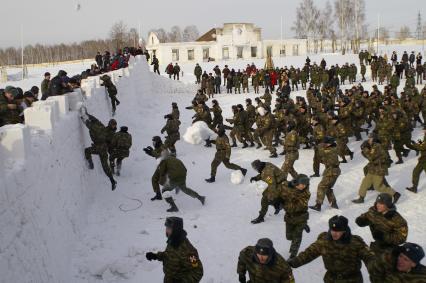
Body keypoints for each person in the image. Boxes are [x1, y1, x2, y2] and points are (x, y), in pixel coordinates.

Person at [288, 215, 374, 283]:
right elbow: (309, 253)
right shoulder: (324, 241)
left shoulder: (355, 243)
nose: (334, 233)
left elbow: (370, 258)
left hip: (352, 280)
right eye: (332, 230)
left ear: (344, 231)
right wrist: (293, 263)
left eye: (337, 231)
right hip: (331, 279)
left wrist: (378, 270)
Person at [145, 217, 203, 283]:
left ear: (176, 229)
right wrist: (156, 256)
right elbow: (169, 255)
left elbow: (198, 271)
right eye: (166, 228)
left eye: (169, 228)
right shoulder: (173, 241)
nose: (166, 231)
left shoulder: (188, 251)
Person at [352, 133, 401, 204]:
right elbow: (369, 157)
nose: (369, 140)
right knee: (365, 182)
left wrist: (365, 148)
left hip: (379, 168)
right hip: (373, 167)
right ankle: (361, 198)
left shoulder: (376, 146)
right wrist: (363, 150)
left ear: (374, 139)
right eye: (368, 138)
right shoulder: (372, 146)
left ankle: (395, 194)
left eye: (370, 138)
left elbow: (371, 157)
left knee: (378, 187)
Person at [81, 111, 117, 190]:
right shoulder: (103, 127)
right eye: (113, 125)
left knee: (87, 151)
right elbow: (94, 119)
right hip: (102, 149)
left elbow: (89, 124)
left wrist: (83, 117)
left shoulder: (100, 128)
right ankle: (112, 181)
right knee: (105, 166)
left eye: (114, 125)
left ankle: (90, 164)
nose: (114, 126)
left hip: (100, 148)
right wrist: (86, 114)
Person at [280, 174, 311, 259]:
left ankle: (293, 254)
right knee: (289, 236)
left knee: (297, 236)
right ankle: (304, 226)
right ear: (297, 183)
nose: (303, 186)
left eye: (305, 185)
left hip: (300, 217)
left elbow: (296, 207)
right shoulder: (289, 186)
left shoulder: (306, 194)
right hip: (289, 217)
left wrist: (283, 205)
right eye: (302, 184)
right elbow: (280, 188)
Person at [309, 136, 340, 211]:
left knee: (321, 186)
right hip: (331, 170)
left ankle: (318, 205)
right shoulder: (330, 148)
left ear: (331, 143)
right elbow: (322, 159)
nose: (325, 144)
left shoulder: (332, 149)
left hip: (332, 171)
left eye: (327, 143)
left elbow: (322, 151)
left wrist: (318, 145)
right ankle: (334, 203)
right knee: (327, 187)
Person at [250, 159, 286, 224]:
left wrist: (271, 196)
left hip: (280, 184)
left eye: (255, 168)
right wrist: (256, 178)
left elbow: (272, 184)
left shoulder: (268, 172)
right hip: (277, 181)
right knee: (265, 194)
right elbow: (263, 174)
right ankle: (278, 205)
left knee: (265, 199)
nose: (255, 170)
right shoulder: (264, 165)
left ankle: (261, 217)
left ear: (258, 166)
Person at [144, 136, 169, 201]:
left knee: (163, 182)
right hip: (160, 166)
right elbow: (155, 154)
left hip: (165, 166)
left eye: (154, 141)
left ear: (157, 141)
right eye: (153, 142)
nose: (153, 143)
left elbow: (163, 157)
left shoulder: (163, 147)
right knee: (154, 179)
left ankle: (176, 185)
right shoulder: (158, 147)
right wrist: (149, 152)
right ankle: (158, 195)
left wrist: (152, 152)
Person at [406, 126, 426, 193]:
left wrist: (415, 144)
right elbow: (423, 144)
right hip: (423, 159)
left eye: (424, 130)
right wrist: (418, 141)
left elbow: (422, 147)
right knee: (416, 172)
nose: (423, 131)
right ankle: (414, 187)